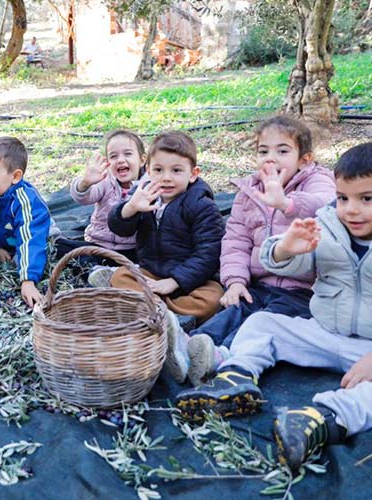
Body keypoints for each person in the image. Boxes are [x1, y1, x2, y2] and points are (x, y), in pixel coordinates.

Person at [174, 142, 372, 469]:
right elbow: (297, 265)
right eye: (343, 198)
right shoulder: (329, 225)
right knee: (264, 323)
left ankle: (325, 417)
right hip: (325, 332)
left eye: (367, 199)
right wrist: (286, 250)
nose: (351, 209)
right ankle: (236, 376)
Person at [183, 116, 336, 385]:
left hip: (302, 291)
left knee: (263, 322)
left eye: (283, 151)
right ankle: (188, 348)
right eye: (263, 151)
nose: (271, 158)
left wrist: (286, 203)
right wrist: (235, 282)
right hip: (260, 283)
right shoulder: (249, 192)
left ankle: (225, 358)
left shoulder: (317, 180)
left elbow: (325, 204)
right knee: (235, 310)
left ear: (305, 159)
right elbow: (236, 241)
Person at [107, 131, 224, 382]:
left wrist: (176, 281)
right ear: (147, 170)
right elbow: (119, 227)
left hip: (192, 279)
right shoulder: (144, 196)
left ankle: (168, 320)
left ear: (194, 174)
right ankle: (166, 318)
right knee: (121, 276)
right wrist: (129, 209)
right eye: (158, 170)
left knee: (215, 298)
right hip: (152, 271)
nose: (166, 178)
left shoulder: (201, 206)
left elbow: (209, 252)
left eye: (176, 171)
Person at [0, 136, 52, 308]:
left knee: (60, 251)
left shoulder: (24, 201)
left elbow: (30, 238)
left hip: (39, 239)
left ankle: (95, 267)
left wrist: (28, 280)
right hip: (8, 242)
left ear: (15, 176)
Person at [55, 130, 144, 274]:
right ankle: (96, 272)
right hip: (99, 245)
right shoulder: (105, 181)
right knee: (60, 246)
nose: (120, 160)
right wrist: (85, 183)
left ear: (142, 160)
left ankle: (121, 273)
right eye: (113, 156)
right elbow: (84, 198)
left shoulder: (146, 186)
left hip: (133, 249)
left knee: (151, 259)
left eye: (127, 154)